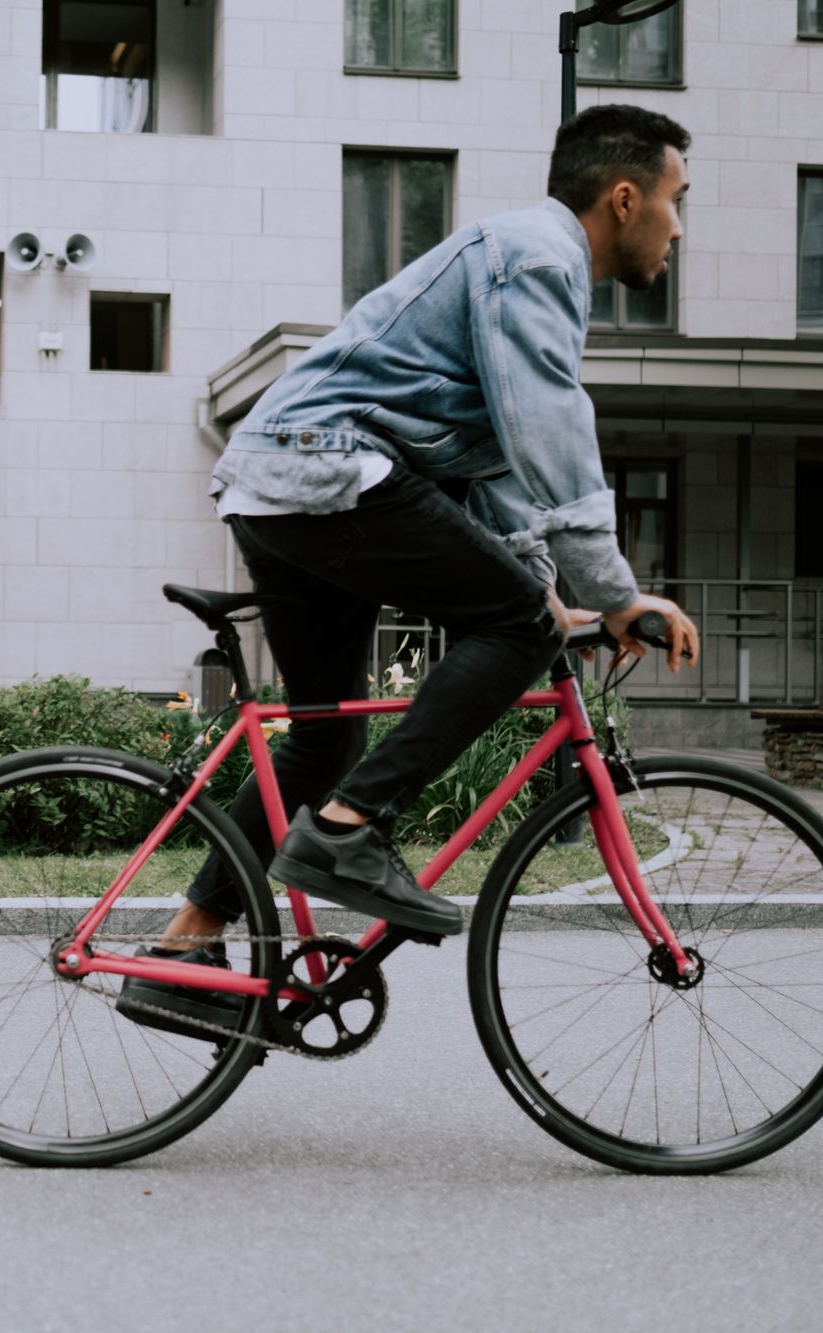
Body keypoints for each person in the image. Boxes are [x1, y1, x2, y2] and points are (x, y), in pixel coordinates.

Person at [122, 105, 703, 1031]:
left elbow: (501, 456)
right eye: (676, 203)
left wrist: (553, 589)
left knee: (323, 739)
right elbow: (552, 429)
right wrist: (609, 590)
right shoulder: (539, 257)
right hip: (331, 468)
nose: (679, 228)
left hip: (284, 481)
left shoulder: (524, 261)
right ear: (624, 197)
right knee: (508, 624)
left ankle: (183, 944)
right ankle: (351, 834)